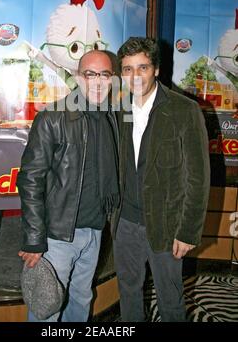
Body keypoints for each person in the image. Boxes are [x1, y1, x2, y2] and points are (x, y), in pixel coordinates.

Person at [112, 37, 210, 322]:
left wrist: (188, 231)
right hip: (125, 222)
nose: (135, 76)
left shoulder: (184, 110)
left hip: (167, 226)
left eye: (142, 67)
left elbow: (198, 177)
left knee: (170, 299)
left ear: (156, 69)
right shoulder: (118, 109)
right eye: (128, 69)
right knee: (128, 294)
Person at [17, 50, 119, 322]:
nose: (97, 81)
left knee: (81, 299)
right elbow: (30, 180)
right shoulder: (53, 118)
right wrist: (34, 239)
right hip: (58, 236)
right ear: (77, 77)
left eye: (105, 75)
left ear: (112, 80)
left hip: (95, 231)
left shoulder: (110, 117)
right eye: (90, 74)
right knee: (47, 307)